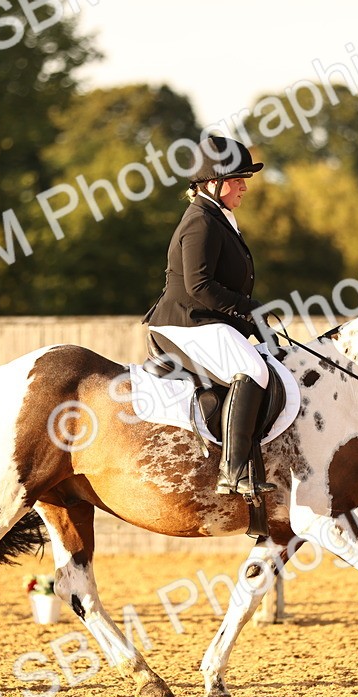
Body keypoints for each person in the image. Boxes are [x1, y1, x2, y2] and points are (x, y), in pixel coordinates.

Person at [142, 136, 276, 497]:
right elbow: (201, 286)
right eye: (237, 179)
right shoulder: (201, 220)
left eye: (244, 179)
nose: (244, 187)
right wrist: (252, 310)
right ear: (213, 183)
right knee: (253, 370)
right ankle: (232, 471)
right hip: (184, 323)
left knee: (266, 362)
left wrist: (252, 322)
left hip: (204, 321)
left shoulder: (218, 217)